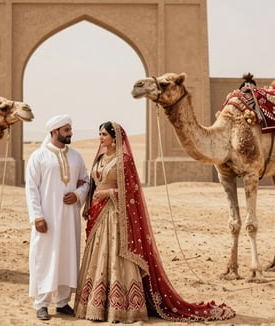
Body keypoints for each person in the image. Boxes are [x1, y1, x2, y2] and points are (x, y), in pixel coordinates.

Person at [74, 121, 236, 323]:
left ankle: (122, 307)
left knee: (117, 256)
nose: (100, 137)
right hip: (99, 216)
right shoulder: (99, 158)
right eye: (99, 134)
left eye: (104, 134)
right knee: (97, 256)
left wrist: (109, 193)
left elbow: (131, 189)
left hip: (116, 217)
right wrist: (89, 199)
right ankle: (96, 305)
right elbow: (94, 183)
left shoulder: (123, 160)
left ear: (114, 137)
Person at [25, 114, 90, 321]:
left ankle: (63, 303)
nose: (70, 133)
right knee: (45, 258)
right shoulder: (39, 156)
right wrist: (37, 217)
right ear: (54, 132)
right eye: (66, 130)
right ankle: (42, 304)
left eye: (70, 129)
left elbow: (86, 181)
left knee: (67, 257)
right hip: (48, 219)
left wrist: (78, 195)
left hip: (70, 219)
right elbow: (31, 189)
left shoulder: (76, 156)